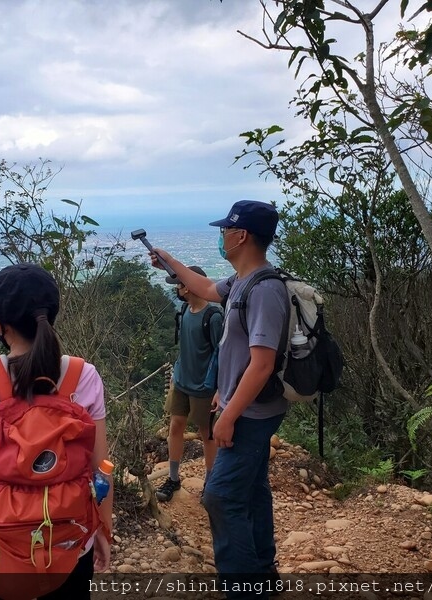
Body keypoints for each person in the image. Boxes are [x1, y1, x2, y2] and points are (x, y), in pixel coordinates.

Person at [148, 201, 290, 599]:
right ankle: (263, 574)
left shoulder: (264, 290)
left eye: (226, 230)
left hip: (251, 413)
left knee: (221, 497)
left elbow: (261, 365)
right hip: (245, 407)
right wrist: (170, 262)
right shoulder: (242, 281)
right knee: (253, 490)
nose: (222, 236)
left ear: (240, 236)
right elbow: (207, 289)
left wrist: (228, 415)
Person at [0, 263, 112, 600]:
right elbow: (101, 469)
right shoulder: (84, 375)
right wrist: (103, 532)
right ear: (51, 316)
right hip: (70, 541)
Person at [156, 266, 223, 502]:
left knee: (207, 435)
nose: (177, 289)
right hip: (182, 381)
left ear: (191, 286)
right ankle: (173, 479)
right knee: (176, 426)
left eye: (180, 284)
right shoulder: (184, 310)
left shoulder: (212, 318)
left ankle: (211, 483)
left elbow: (222, 354)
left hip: (204, 387)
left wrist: (220, 390)